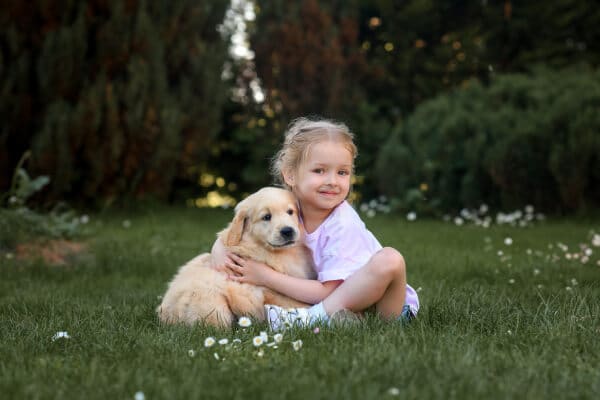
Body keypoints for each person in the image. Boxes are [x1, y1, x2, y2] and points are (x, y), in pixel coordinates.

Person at [211, 117, 419, 330]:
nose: (332, 181)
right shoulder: (287, 211)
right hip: (340, 305)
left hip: (384, 307)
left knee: (390, 259)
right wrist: (219, 251)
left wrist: (265, 276)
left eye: (342, 172)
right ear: (291, 175)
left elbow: (329, 292)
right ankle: (341, 321)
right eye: (319, 171)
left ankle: (308, 320)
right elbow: (239, 229)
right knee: (342, 314)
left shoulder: (342, 225)